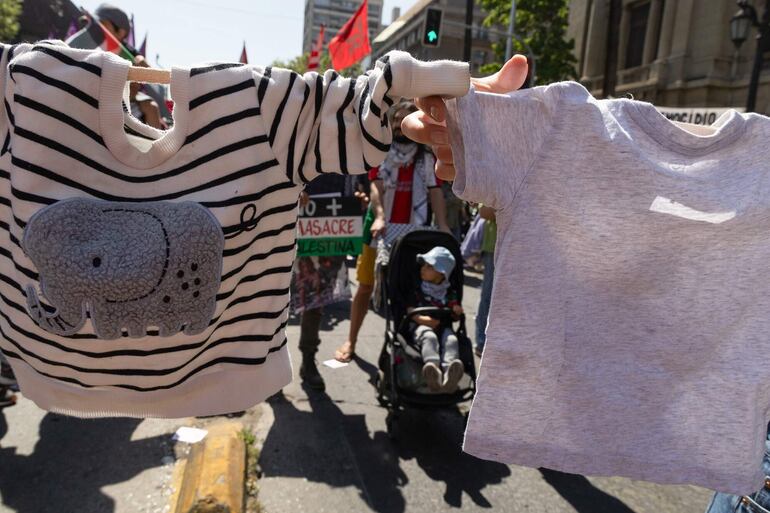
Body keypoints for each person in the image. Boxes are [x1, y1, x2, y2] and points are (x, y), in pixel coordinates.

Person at [334, 101, 451, 363]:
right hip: (378, 228)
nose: (400, 125)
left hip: (414, 231)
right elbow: (375, 187)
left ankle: (406, 350)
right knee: (365, 287)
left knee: (407, 289)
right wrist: (379, 217)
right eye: (396, 119)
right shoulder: (381, 152)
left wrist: (442, 225)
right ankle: (351, 340)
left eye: (406, 120)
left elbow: (435, 191)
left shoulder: (427, 156)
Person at [407, 246, 464, 392]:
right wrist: (424, 320)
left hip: (444, 327)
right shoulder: (417, 289)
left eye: (429, 267)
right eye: (424, 265)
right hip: (421, 326)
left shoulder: (449, 292)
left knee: (452, 340)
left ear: (441, 274)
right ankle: (434, 371)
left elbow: (454, 316)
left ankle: (449, 373)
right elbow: (410, 311)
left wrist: (456, 312)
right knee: (429, 337)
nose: (423, 269)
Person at [475, 205, 496, 356]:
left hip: (525, 248)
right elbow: (484, 211)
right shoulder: (498, 180)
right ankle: (482, 342)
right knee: (488, 297)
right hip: (494, 246)